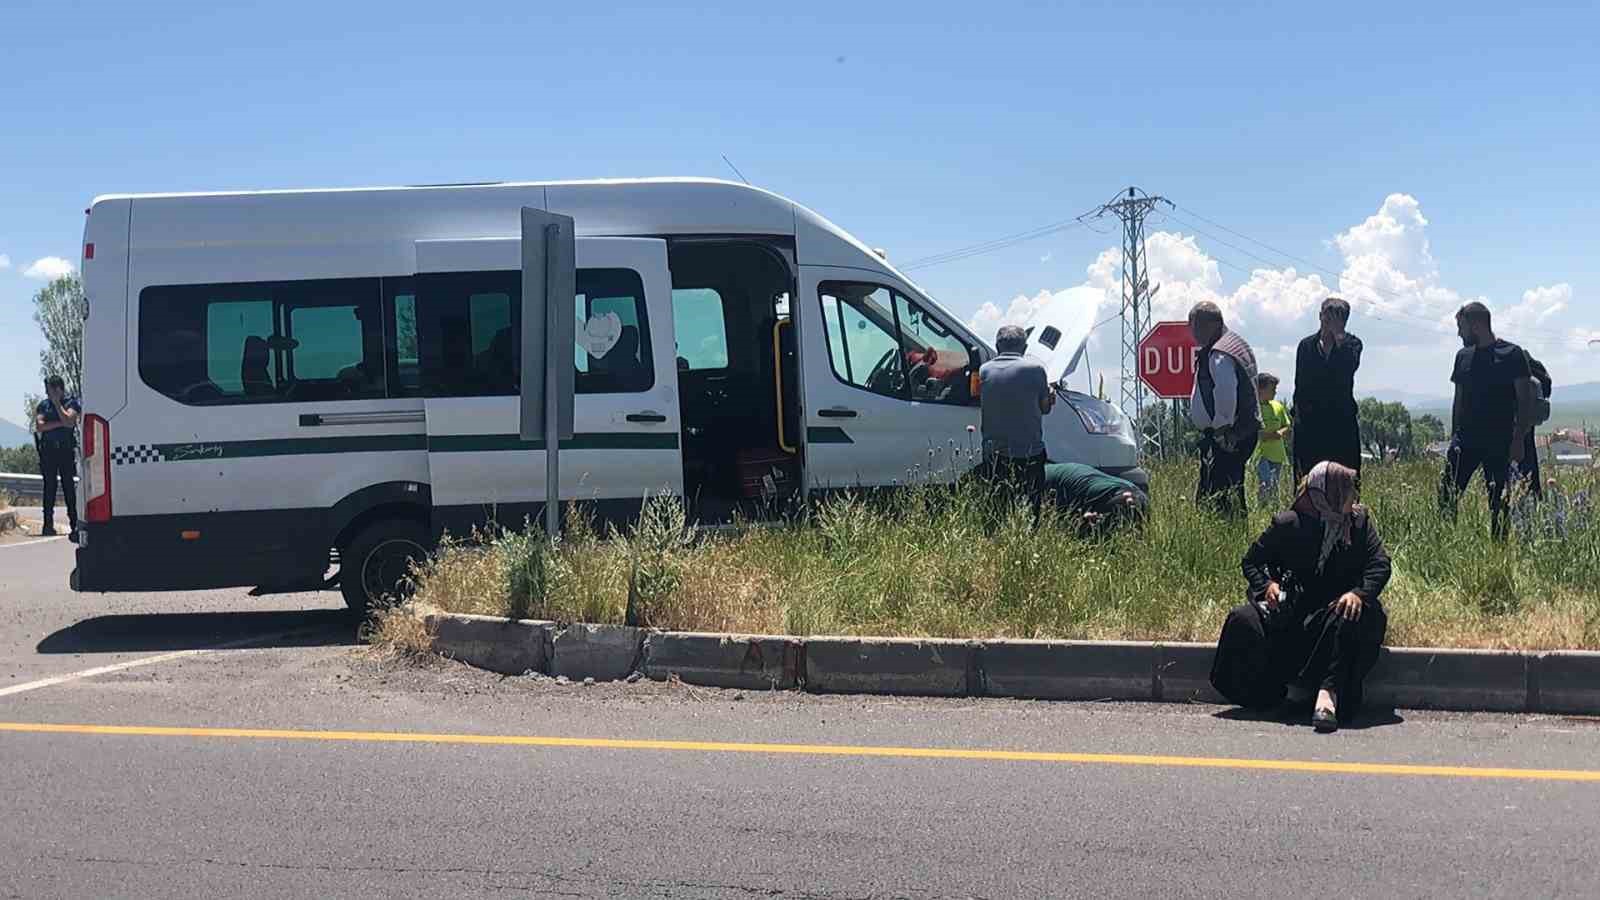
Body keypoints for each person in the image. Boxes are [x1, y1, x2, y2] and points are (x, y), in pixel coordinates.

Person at [1210, 462, 1391, 733]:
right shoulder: (1289, 523)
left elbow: (1380, 564)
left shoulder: (1358, 523)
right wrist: (1267, 585)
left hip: (1334, 609)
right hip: (1295, 609)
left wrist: (1358, 593)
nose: (1351, 496)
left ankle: (1327, 695)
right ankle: (1268, 695)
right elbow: (1252, 562)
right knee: (1243, 620)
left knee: (1354, 615)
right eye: (1343, 490)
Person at [1438, 302, 1536, 540]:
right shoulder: (1462, 357)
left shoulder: (1512, 354)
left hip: (1499, 441)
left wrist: (1518, 440)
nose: (1459, 333)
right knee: (1447, 496)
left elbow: (1524, 402)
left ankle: (1498, 555)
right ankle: (1445, 544)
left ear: (1477, 325)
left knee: (1499, 504)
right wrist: (1454, 439)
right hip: (1466, 441)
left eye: (1461, 327)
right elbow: (1458, 401)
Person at [1187, 302, 1261, 517]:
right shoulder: (1234, 344)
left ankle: (1224, 535)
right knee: (1231, 486)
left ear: (1213, 324)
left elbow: (1226, 390)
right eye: (1192, 326)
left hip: (1227, 434)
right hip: (1240, 430)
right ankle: (1233, 532)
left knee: (1218, 492)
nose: (1194, 332)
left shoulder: (1220, 352)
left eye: (1197, 326)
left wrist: (1221, 429)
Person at [979, 324, 1054, 515]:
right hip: (1029, 452)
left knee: (998, 506)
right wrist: (1050, 398)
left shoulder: (984, 371)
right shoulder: (1036, 369)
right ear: (1025, 348)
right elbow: (1044, 409)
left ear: (997, 347)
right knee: (1032, 506)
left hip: (995, 453)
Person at [1291, 297, 1364, 481]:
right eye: (1326, 318)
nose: (1329, 324)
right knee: (1307, 479)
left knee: (1345, 478)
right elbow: (1300, 385)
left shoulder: (1352, 344)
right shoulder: (1306, 346)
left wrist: (1339, 336)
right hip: (1309, 425)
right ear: (1320, 316)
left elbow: (1347, 369)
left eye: (1336, 319)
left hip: (1340, 424)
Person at [34, 375, 81, 539]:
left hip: (65, 451)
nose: (47, 393)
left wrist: (57, 405)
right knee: (49, 488)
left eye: (50, 389)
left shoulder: (71, 403)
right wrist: (62, 423)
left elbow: (70, 419)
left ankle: (74, 524)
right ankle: (48, 525)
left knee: (69, 487)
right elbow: (40, 426)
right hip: (48, 452)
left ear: (58, 389)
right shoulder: (43, 405)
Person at [1041, 462, 1148, 534]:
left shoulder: (1040, 478)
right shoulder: (1055, 470)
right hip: (1136, 493)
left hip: (1114, 497)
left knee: (1091, 539)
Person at [1253, 373, 1292, 509]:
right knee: (1265, 482)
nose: (1275, 392)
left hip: (1277, 455)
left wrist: (1279, 434)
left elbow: (1287, 426)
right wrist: (1265, 435)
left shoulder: (1278, 406)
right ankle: (1261, 508)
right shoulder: (1254, 407)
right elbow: (1254, 432)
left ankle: (1273, 512)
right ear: (1260, 389)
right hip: (1260, 455)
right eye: (1272, 389)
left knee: (1274, 486)